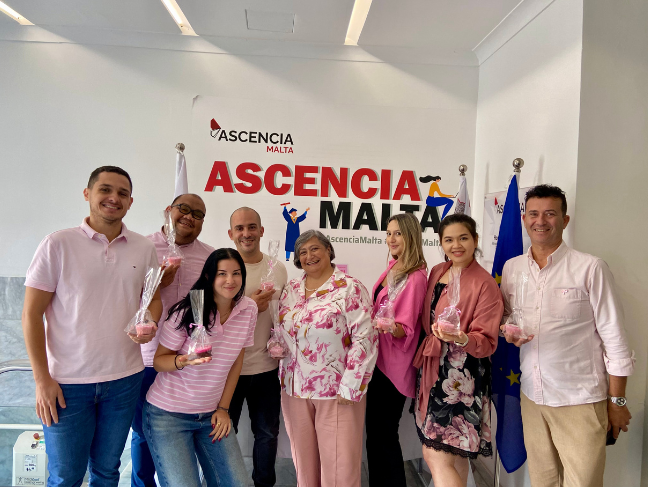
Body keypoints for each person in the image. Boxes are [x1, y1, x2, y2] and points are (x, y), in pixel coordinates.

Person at [21, 166, 162, 487]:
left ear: (130, 202)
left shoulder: (143, 248)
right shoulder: (57, 244)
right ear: (87, 194)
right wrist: (42, 380)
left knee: (107, 472)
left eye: (123, 193)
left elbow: (152, 298)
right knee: (66, 477)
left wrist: (150, 319)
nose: (114, 198)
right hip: (66, 385)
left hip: (125, 380)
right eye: (105, 190)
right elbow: (30, 315)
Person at [500, 184, 635, 487]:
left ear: (565, 220)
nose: (540, 221)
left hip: (579, 400)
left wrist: (617, 401)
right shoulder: (512, 269)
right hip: (532, 397)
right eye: (533, 214)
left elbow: (615, 338)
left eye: (550, 214)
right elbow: (507, 316)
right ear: (524, 219)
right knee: (542, 482)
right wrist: (506, 330)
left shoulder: (590, 268)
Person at [143, 248, 256, 487]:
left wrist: (223, 408)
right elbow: (159, 361)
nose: (230, 280)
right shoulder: (187, 311)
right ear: (208, 276)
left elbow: (236, 362)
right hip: (168, 416)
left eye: (236, 273)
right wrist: (183, 360)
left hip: (211, 415)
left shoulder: (248, 309)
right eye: (222, 273)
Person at [277, 230, 378, 487]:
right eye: (303, 252)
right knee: (304, 466)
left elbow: (365, 338)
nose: (309, 256)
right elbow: (282, 330)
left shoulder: (350, 287)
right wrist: (274, 345)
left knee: (339, 469)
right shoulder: (290, 289)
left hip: (337, 392)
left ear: (329, 251)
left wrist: (352, 385)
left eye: (315, 249)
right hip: (294, 389)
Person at [131, 193, 214, 487]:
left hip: (190, 362)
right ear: (168, 210)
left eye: (198, 214)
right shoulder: (141, 248)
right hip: (146, 359)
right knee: (143, 432)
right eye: (184, 209)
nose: (189, 217)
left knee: (185, 433)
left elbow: (212, 305)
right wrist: (157, 284)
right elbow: (124, 298)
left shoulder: (210, 257)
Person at [413, 214, 503, 487]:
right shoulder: (438, 271)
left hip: (461, 378)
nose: (456, 245)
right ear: (441, 243)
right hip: (433, 367)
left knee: (435, 455)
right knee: (455, 456)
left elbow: (487, 341)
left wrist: (462, 338)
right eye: (449, 240)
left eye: (463, 238)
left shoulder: (484, 283)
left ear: (475, 239)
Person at [227, 207, 288, 487]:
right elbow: (212, 318)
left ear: (261, 231)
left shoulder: (278, 269)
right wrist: (250, 305)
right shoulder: (224, 269)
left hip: (266, 367)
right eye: (239, 228)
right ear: (230, 234)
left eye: (252, 227)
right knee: (224, 433)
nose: (246, 233)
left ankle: (264, 483)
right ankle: (226, 481)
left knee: (267, 434)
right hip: (229, 369)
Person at [366, 213, 428, 487]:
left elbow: (407, 328)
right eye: (388, 233)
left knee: (384, 434)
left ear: (411, 236)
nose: (391, 239)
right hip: (379, 360)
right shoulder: (393, 266)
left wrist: (391, 327)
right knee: (376, 433)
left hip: (395, 366)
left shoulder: (415, 276)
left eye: (398, 233)